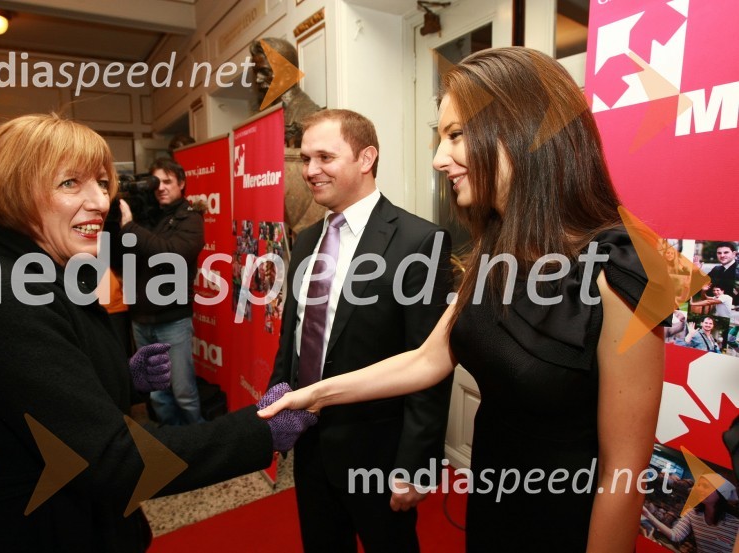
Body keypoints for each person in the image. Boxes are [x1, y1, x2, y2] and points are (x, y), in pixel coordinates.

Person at [260, 47, 666, 552]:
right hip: (492, 504)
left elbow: (622, 476)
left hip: (564, 522)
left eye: (455, 134)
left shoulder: (623, 269)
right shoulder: (494, 252)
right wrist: (314, 394)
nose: (438, 158)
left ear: (522, 129)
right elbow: (428, 358)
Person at [0, 113, 315, 552]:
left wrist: (124, 377)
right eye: (70, 183)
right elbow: (115, 459)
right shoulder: (8, 296)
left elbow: (43, 398)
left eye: (101, 183)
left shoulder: (34, 271)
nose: (98, 201)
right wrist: (261, 431)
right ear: (15, 191)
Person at [268, 108, 454, 552]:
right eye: (305, 158)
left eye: (324, 157)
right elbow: (293, 337)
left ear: (366, 157)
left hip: (379, 455)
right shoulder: (307, 238)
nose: (310, 171)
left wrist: (417, 466)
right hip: (310, 447)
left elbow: (429, 362)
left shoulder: (419, 241)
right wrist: (277, 413)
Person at [119, 158, 205, 426]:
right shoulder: (148, 217)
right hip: (140, 320)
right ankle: (174, 443)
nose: (161, 188)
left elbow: (171, 255)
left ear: (182, 184)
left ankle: (201, 446)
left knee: (183, 393)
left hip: (173, 320)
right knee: (158, 394)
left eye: (167, 181)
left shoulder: (190, 219)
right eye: (156, 183)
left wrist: (130, 227)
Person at [642, 475, 739, 552]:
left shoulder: (735, 524)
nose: (699, 489)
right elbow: (675, 535)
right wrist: (648, 514)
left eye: (705, 486)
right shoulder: (694, 513)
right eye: (699, 485)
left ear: (721, 494)